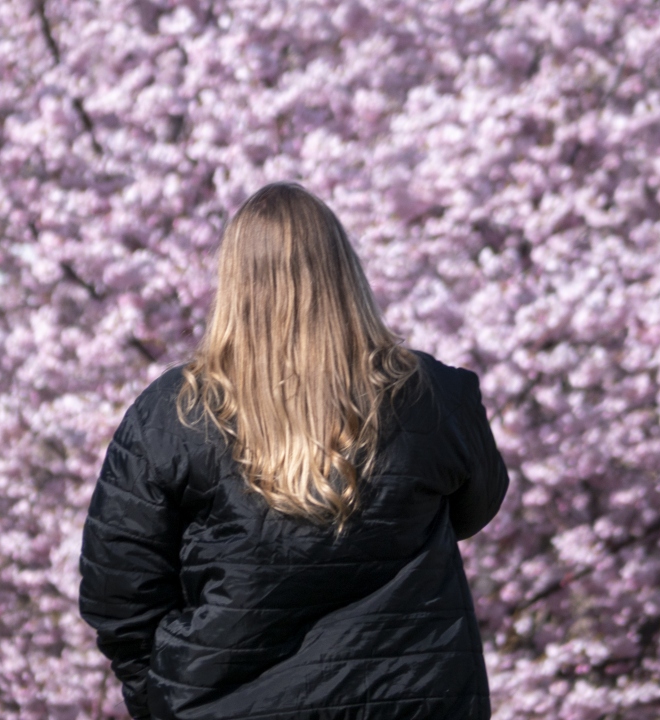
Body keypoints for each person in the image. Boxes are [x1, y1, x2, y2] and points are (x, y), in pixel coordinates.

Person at [78, 183, 509, 719]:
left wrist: (164, 695)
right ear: (343, 271)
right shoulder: (433, 395)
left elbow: (117, 590)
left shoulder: (173, 412)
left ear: (234, 281)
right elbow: (476, 507)